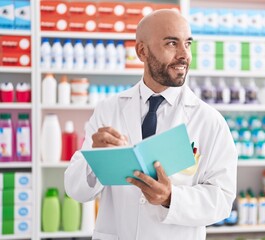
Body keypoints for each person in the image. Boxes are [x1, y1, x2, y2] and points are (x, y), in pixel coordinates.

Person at [64, 9, 237, 240]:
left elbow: (222, 199)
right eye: (171, 43)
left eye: (188, 44)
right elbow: (76, 189)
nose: (184, 55)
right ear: (142, 51)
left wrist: (170, 198)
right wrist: (93, 161)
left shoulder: (209, 121)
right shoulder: (108, 110)